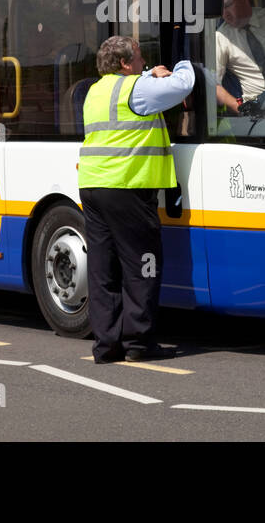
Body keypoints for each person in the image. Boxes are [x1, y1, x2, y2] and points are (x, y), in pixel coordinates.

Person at [78, 35, 193, 363]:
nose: (144, 63)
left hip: (92, 186)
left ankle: (106, 345)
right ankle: (139, 343)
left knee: (103, 269)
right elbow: (183, 85)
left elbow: (129, 93)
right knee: (142, 266)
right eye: (140, 59)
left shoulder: (94, 90)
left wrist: (146, 76)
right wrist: (186, 59)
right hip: (127, 187)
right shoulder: (136, 88)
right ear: (126, 63)